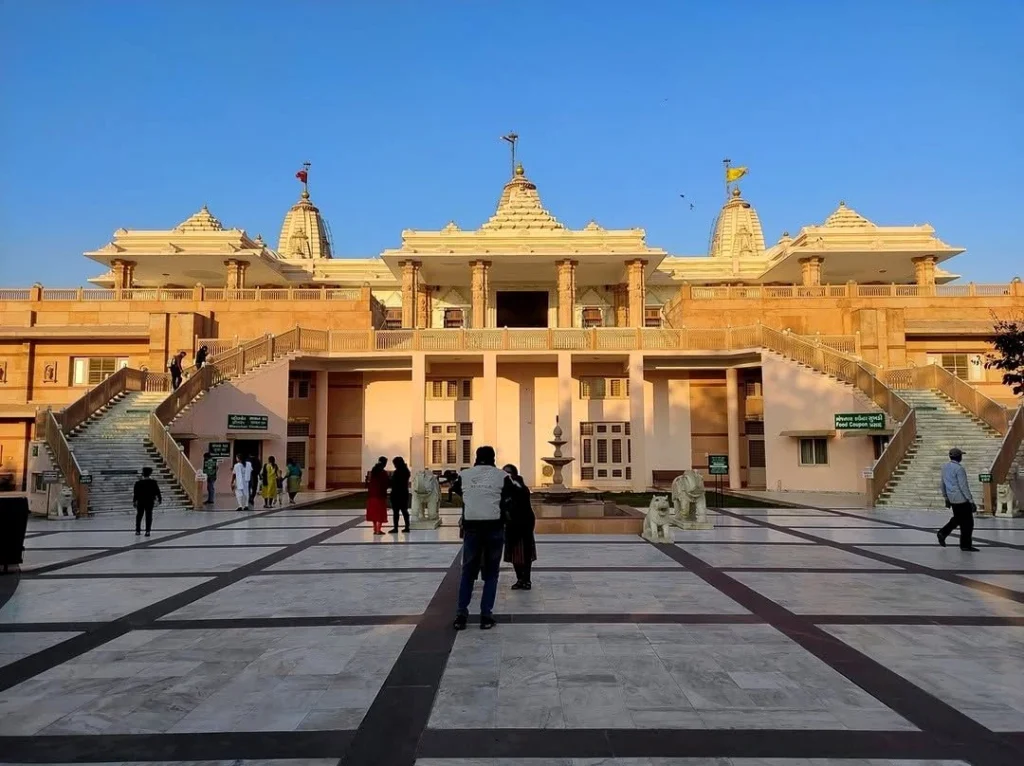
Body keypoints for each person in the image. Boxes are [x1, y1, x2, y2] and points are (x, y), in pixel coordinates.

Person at [453, 446, 514, 631]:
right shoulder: (502, 476)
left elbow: (457, 490)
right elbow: (509, 496)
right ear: (493, 458)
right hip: (494, 527)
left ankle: (461, 616)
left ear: (476, 457)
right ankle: (486, 616)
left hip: (472, 528)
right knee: (491, 574)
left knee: (468, 573)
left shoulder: (465, 475)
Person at [501, 464, 537, 590]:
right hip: (511, 526)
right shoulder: (504, 488)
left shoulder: (520, 487)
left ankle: (526, 579)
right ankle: (519, 579)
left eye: (508, 473)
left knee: (526, 554)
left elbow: (520, 502)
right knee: (515, 554)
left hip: (524, 525)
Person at [938, 447, 980, 551]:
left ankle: (943, 533)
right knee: (968, 523)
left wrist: (946, 498)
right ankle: (965, 545)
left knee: (958, 519)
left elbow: (942, 484)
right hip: (961, 499)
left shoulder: (945, 467)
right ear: (959, 457)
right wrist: (971, 501)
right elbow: (963, 486)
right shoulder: (959, 469)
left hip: (952, 499)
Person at [133, 466, 162, 536]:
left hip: (140, 501)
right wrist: (159, 499)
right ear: (150, 473)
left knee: (139, 515)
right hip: (149, 501)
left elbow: (135, 493)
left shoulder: (138, 483)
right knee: (148, 515)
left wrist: (134, 501)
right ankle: (147, 531)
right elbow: (158, 492)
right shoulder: (153, 483)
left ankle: (138, 530)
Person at [366, 456, 390, 535]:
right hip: (380, 496)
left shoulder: (374, 471)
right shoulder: (383, 472)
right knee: (380, 513)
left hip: (371, 495)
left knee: (373, 513)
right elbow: (386, 483)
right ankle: (378, 530)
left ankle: (374, 528)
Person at [389, 456, 411, 534]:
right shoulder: (406, 471)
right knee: (404, 511)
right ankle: (407, 527)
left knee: (396, 512)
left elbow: (393, 482)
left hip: (397, 493)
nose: (394, 465)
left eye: (395, 464)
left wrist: (390, 480)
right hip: (404, 493)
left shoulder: (398, 472)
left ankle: (396, 528)